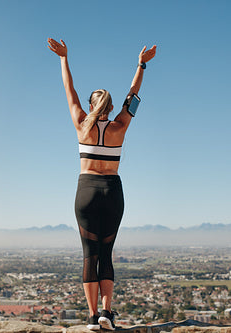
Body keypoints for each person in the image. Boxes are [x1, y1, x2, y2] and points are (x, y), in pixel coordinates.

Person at [47, 38, 156, 331]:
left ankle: (92, 317)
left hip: (86, 192)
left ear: (92, 105)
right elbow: (133, 95)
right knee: (106, 255)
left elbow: (68, 92)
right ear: (109, 106)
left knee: (89, 255)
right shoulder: (120, 126)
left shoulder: (82, 124)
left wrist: (63, 59)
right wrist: (141, 65)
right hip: (112, 192)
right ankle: (107, 313)